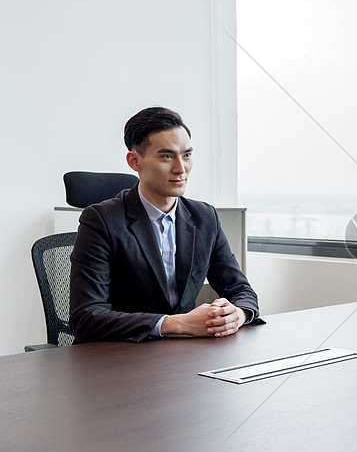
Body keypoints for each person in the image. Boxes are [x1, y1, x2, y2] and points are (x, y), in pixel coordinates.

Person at [69, 106, 260, 343]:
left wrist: (238, 314)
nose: (181, 168)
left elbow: (241, 290)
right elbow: (86, 317)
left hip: (183, 356)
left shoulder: (204, 217)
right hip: (120, 356)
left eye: (187, 155)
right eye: (167, 156)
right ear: (134, 161)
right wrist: (177, 323)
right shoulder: (100, 220)